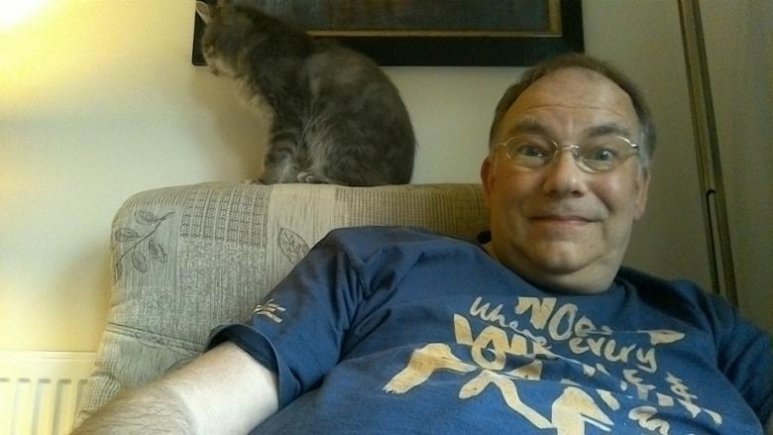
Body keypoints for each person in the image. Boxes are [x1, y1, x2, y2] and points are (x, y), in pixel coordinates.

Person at [74, 53, 772, 434]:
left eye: (603, 153)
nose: (565, 180)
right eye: (533, 149)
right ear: (490, 179)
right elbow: (190, 408)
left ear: (639, 189)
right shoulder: (373, 262)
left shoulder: (708, 326)